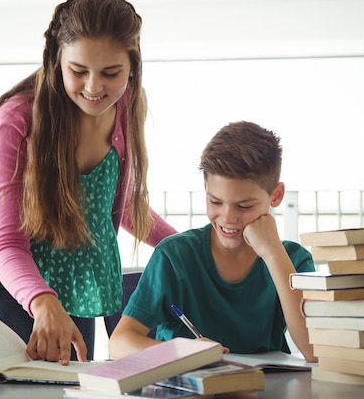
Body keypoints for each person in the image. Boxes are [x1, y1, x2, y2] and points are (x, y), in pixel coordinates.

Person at [0, 0, 177, 365]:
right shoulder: (18, 119)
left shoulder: (129, 104)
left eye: (111, 73)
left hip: (76, 285)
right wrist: (42, 300)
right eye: (78, 71)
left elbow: (111, 205)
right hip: (7, 285)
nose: (93, 88)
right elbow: (4, 244)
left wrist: (186, 247)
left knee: (73, 385)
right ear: (56, 60)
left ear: (133, 66)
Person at [109, 121, 317, 362]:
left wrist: (273, 254)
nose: (228, 217)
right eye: (215, 202)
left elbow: (314, 351)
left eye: (244, 206)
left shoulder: (294, 260)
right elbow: (120, 343)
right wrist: (181, 352)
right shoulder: (175, 256)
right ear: (205, 189)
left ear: (276, 196)